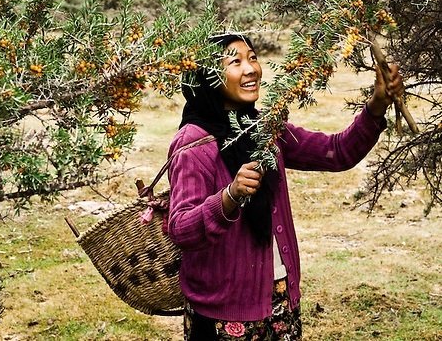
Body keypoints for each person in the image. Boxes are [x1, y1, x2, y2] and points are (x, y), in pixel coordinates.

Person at [167, 33, 404, 340]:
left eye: (253, 58)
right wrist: (229, 196)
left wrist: (377, 105)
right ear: (208, 78)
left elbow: (337, 152)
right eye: (235, 62)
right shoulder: (194, 143)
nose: (251, 69)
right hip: (222, 313)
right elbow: (181, 230)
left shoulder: (264, 129)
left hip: (279, 297)